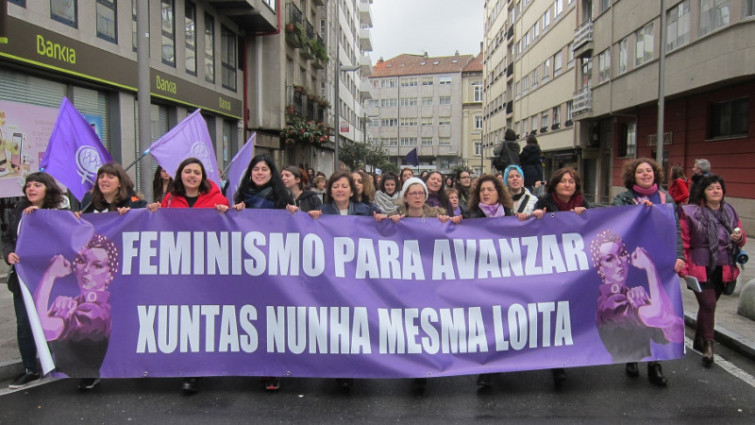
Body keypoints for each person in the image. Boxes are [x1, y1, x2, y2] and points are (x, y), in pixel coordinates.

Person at [148, 158, 230, 394]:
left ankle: (200, 366)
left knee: (203, 318)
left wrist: (227, 213)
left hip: (208, 269)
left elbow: (230, 226)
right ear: (180, 175)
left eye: (196, 172)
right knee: (185, 317)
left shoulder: (217, 198)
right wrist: (154, 212)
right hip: (180, 268)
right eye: (187, 171)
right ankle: (189, 369)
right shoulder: (170, 199)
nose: (192, 175)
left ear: (203, 177)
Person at [610, 158, 686, 386]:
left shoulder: (665, 198)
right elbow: (614, 223)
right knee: (635, 310)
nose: (645, 174)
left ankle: (656, 364)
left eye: (649, 171)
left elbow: (675, 228)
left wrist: (680, 255)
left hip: (660, 261)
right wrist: (637, 211)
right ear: (633, 176)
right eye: (640, 171)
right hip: (633, 261)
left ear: (656, 174)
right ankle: (633, 356)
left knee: (660, 310)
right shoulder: (622, 198)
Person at [309, 173, 387, 390]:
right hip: (332, 278)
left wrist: (382, 220)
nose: (340, 190)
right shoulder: (322, 212)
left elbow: (387, 229)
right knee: (337, 322)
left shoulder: (366, 210)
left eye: (344, 186)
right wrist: (306, 218)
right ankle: (341, 369)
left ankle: (359, 363)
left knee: (357, 322)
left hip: (360, 277)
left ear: (352, 191)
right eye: (336, 186)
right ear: (330, 191)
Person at [3, 172, 68, 388]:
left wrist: (40, 216)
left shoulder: (60, 212)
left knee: (54, 322)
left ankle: (60, 363)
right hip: (23, 279)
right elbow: (7, 238)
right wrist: (8, 254)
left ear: (47, 189)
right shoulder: (17, 212)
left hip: (51, 280)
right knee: (24, 324)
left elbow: (63, 238)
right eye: (28, 185)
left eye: (37, 185)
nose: (31, 189)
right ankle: (30, 368)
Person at [590, 231, 684, 379]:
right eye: (609, 259)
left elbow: (676, 329)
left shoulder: (631, 292)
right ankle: (634, 361)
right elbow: (659, 315)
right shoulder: (609, 304)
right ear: (600, 269)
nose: (619, 262)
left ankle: (653, 364)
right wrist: (650, 268)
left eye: (621, 254)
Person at [33, 234, 119, 391]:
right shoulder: (78, 302)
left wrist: (49, 275)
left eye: (97, 265)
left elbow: (44, 328)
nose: (86, 270)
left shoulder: (96, 312)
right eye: (81, 261)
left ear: (109, 275)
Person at [531, 167, 589, 385]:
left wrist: (586, 218)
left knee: (572, 315)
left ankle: (571, 355)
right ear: (554, 184)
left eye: (571, 181)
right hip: (550, 268)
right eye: (563, 181)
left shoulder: (584, 205)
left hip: (575, 271)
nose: (567, 185)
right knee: (555, 317)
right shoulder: (543, 203)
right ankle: (557, 364)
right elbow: (530, 230)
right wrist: (536, 217)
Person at [680, 175, 746, 366]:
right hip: (699, 266)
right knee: (708, 304)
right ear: (703, 192)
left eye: (718, 188)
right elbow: (684, 240)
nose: (716, 191)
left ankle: (699, 339)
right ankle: (709, 346)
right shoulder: (690, 212)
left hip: (724, 266)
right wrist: (683, 265)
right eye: (711, 188)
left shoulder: (729, 211)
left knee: (708, 306)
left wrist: (739, 238)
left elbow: (740, 236)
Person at [81, 163, 147, 213]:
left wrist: (130, 214)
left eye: (110, 177)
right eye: (101, 177)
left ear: (120, 183)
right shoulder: (89, 200)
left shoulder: (134, 202)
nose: (104, 180)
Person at [390, 177, 460, 224]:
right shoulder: (396, 215)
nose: (417, 196)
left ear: (425, 196)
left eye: (421, 193)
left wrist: (450, 222)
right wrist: (387, 221)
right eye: (413, 193)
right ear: (405, 197)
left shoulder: (437, 215)